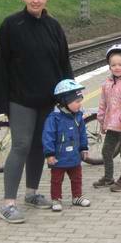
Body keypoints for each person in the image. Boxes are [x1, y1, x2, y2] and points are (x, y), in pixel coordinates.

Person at [0, 0, 74, 224]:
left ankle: (31, 193)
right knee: (21, 146)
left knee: (39, 145)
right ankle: (8, 204)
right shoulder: (11, 25)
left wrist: (69, 95)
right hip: (20, 99)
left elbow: (64, 63)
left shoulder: (54, 27)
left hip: (47, 100)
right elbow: (0, 65)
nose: (35, 0)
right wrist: (1, 103)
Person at [93, 44, 121, 192]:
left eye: (120, 64)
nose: (117, 67)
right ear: (109, 66)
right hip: (111, 125)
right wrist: (101, 120)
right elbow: (103, 103)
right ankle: (108, 178)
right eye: (113, 65)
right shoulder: (107, 84)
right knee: (106, 151)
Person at [42, 79, 91, 212]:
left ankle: (77, 196)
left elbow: (82, 133)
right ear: (65, 102)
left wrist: (84, 148)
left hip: (74, 156)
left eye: (80, 101)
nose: (80, 104)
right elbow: (48, 136)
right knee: (56, 180)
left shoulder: (78, 116)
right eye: (76, 102)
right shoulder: (54, 118)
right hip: (58, 158)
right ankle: (56, 199)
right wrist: (49, 154)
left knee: (77, 178)